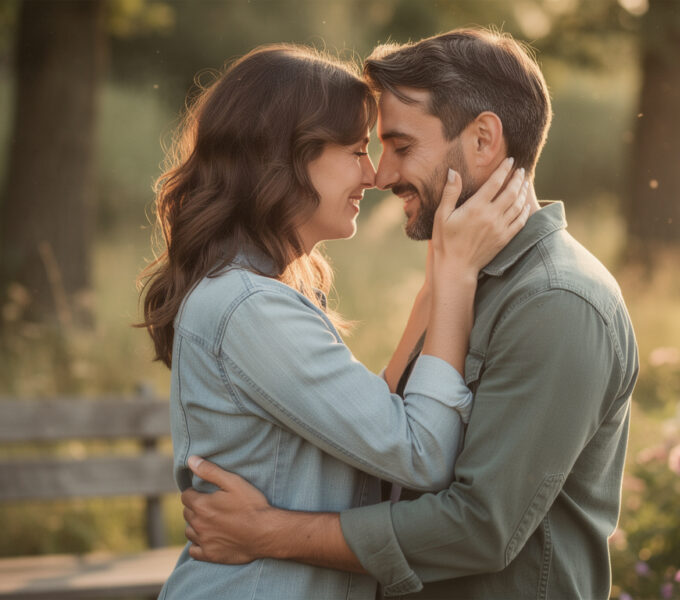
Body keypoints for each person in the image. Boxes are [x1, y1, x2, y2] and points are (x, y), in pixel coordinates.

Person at [180, 28, 640, 600]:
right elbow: (390, 449)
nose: (382, 174)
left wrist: (271, 533)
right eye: (366, 150)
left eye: (400, 146)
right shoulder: (464, 279)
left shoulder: (553, 302)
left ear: (482, 139)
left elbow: (479, 527)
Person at [137, 44, 531, 600]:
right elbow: (421, 453)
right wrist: (457, 278)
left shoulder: (259, 295)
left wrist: (439, 277)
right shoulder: (250, 308)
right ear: (287, 158)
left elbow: (378, 424)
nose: (373, 175)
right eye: (355, 149)